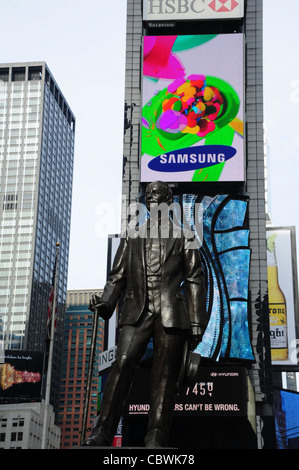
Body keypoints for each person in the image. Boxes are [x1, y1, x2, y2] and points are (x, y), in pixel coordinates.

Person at [84, 181, 207, 448]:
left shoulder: (185, 236)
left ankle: (156, 436)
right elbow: (117, 277)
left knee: (165, 375)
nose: (153, 202)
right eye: (149, 199)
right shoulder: (132, 235)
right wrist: (106, 303)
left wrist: (197, 323)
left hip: (171, 313)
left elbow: (196, 278)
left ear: (169, 202)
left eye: (158, 198)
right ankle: (102, 432)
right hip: (137, 310)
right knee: (123, 363)